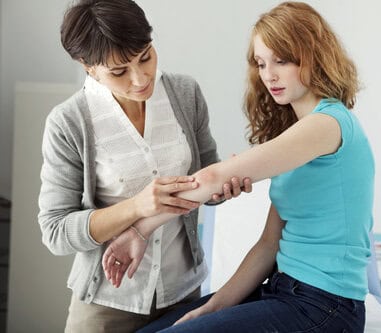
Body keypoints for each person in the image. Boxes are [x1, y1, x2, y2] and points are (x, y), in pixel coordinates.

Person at [104, 2, 375, 332]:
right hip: (281, 290)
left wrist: (140, 229)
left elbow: (215, 176)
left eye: (282, 60)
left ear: (313, 55)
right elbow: (268, 246)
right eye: (261, 63)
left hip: (326, 307)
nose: (268, 75)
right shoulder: (296, 142)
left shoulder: (328, 124)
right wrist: (213, 308)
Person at [37, 0, 251, 332]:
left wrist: (224, 185)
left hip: (183, 293)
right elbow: (56, 233)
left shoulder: (185, 94)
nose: (140, 79)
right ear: (87, 65)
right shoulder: (69, 122)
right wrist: (137, 206)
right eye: (119, 71)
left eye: (146, 57)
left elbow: (207, 178)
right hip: (108, 304)